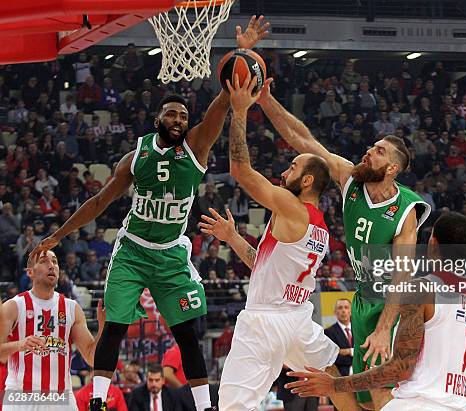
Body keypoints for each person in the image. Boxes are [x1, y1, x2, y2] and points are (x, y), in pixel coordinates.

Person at [29, 18, 269, 411]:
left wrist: (241, 53)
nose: (178, 120)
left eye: (182, 116)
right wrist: (60, 235)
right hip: (134, 250)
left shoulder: (197, 147)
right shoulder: (134, 157)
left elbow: (221, 103)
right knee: (116, 326)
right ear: (157, 121)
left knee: (189, 333)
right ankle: (98, 400)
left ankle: (205, 405)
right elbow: (98, 203)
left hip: (172, 253)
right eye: (171, 115)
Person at [258, 76, 431, 410]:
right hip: (363, 299)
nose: (369, 152)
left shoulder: (406, 210)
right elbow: (303, 139)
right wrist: (267, 101)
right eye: (371, 147)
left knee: (383, 393)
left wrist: (384, 329)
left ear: (392, 168)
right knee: (361, 399)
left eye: (378, 152)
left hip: (392, 305)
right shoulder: (350, 178)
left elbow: (401, 278)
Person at [198, 73, 358, 411]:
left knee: (231, 406)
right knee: (330, 376)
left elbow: (240, 170)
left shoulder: (292, 207)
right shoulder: (321, 228)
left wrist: (239, 110)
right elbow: (264, 263)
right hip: (298, 317)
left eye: (293, 166)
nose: (285, 172)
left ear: (308, 180)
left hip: (264, 320)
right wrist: (232, 237)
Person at [284, 213, 466, 410]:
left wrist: (334, 385)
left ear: (432, 243)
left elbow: (401, 368)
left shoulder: (421, 289)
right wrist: (449, 397)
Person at [0, 250, 105, 410]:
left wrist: (103, 327)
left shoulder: (72, 308)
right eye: (44, 261)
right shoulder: (14, 306)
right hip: (21, 396)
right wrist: (20, 345)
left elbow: (92, 358)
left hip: (61, 397)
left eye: (54, 261)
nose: (52, 266)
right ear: (30, 272)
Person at [324, 299, 353, 377]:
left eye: (346, 307)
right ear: (335, 312)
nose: (343, 311)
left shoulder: (359, 329)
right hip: (342, 375)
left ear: (351, 311)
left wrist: (350, 351)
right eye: (340, 308)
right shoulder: (328, 332)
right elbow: (333, 358)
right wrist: (356, 356)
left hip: (362, 372)